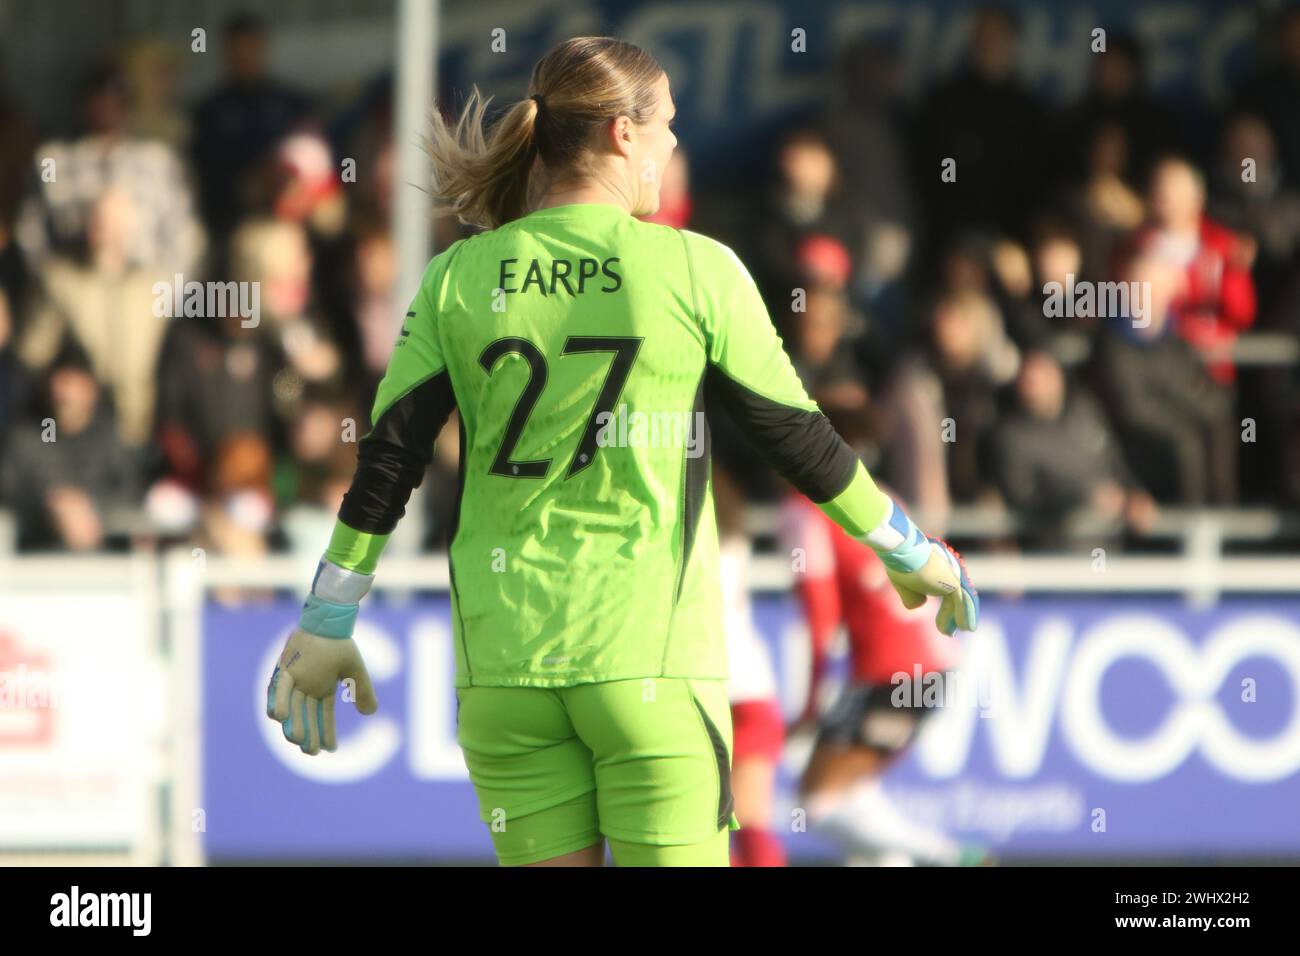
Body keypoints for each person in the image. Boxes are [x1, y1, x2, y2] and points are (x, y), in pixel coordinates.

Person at [264, 36, 977, 868]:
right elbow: (799, 438)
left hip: (504, 673)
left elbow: (387, 461)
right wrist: (905, 546)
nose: (676, 145)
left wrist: (328, 615)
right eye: (667, 124)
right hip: (653, 671)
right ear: (621, 134)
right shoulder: (695, 267)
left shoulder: (456, 276)